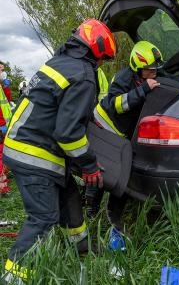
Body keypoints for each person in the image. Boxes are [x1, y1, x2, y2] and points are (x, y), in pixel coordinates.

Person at [2, 18, 116, 283]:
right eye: (103, 59)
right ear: (96, 52)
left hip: (28, 146)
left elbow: (58, 111)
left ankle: (82, 250)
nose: (101, 65)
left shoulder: (59, 63)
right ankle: (14, 276)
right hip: (35, 154)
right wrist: (89, 166)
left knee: (70, 200)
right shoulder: (84, 75)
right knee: (44, 216)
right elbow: (68, 133)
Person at [93, 41, 164, 246]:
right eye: (150, 70)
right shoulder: (123, 78)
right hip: (104, 129)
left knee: (117, 173)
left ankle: (110, 209)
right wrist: (142, 92)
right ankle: (92, 210)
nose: (154, 73)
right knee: (102, 171)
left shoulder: (146, 76)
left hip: (121, 135)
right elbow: (117, 105)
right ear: (138, 68)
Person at [0, 61, 13, 195]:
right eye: (1, 70)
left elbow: (6, 100)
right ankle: (2, 188)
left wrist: (6, 84)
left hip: (4, 125)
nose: (3, 72)